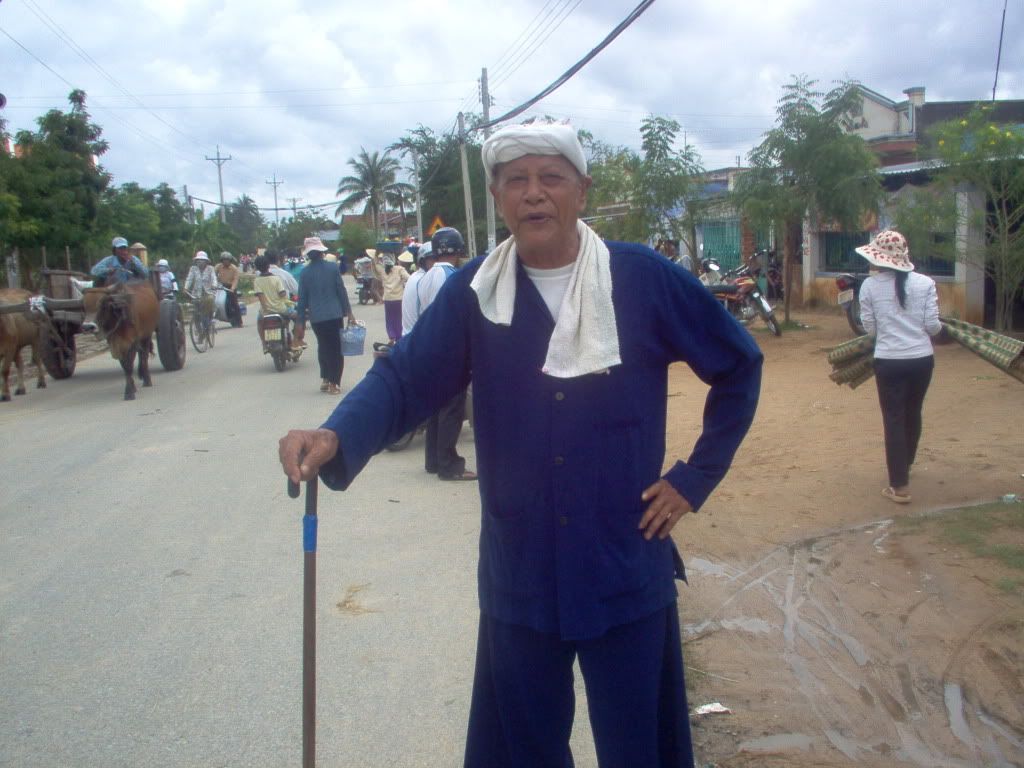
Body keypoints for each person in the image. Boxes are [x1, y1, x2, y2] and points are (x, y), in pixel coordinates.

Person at [278, 121, 762, 768]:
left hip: (623, 560)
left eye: (551, 178)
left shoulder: (643, 280)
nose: (534, 193)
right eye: (517, 180)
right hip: (521, 571)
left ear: (581, 191)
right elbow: (404, 379)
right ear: (498, 197)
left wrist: (693, 479)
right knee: (520, 751)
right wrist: (337, 432)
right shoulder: (474, 293)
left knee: (641, 748)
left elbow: (738, 366)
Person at [856, 230, 941, 505]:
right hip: (922, 360)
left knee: (893, 418)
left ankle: (899, 485)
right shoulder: (926, 283)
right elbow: (933, 327)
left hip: (889, 361)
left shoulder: (869, 286)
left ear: (878, 259)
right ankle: (906, 465)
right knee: (913, 412)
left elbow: (870, 329)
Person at [415, 226, 476, 482]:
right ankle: (449, 465)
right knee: (452, 409)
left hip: (429, 347)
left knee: (435, 407)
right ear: (457, 249)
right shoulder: (453, 276)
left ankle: (433, 460)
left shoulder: (426, 276)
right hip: (450, 349)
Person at [295, 236, 358, 396]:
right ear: (321, 252)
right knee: (336, 349)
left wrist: (300, 322)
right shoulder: (332, 268)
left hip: (317, 318)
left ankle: (325, 378)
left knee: (323, 346)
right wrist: (349, 312)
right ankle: (334, 383)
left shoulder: (305, 273)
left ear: (309, 254)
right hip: (334, 315)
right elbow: (341, 291)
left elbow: (302, 299)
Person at [252, 254, 304, 349]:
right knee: (299, 317)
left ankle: (264, 344)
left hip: (266, 312)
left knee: (260, 323)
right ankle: (296, 340)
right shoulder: (276, 278)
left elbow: (260, 297)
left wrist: (265, 310)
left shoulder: (257, 281)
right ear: (268, 265)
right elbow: (282, 294)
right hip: (281, 309)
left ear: (257, 268)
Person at [400, 241, 433, 337]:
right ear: (423, 261)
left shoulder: (414, 276)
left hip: (409, 335)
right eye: (433, 259)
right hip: (417, 337)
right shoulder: (425, 279)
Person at [184, 251, 217, 328]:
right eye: (199, 260)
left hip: (208, 292)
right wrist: (186, 288)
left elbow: (214, 278)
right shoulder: (193, 269)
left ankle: (211, 318)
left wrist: (214, 285)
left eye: (202, 260)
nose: (200, 262)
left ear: (206, 261)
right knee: (196, 309)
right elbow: (189, 279)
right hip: (196, 293)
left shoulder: (210, 269)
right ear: (196, 261)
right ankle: (197, 325)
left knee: (210, 301)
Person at [381, 255, 409, 344]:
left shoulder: (383, 270)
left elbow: (375, 272)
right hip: (399, 298)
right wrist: (402, 281)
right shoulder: (399, 269)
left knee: (389, 319)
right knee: (399, 318)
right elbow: (408, 278)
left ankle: (392, 336)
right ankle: (399, 337)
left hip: (388, 299)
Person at [216, 251, 243, 327]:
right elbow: (213, 274)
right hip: (221, 287)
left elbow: (235, 279)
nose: (225, 261)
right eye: (224, 260)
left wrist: (232, 288)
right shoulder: (218, 266)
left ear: (230, 260)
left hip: (230, 287)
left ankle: (239, 321)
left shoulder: (234, 268)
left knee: (234, 303)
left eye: (227, 260)